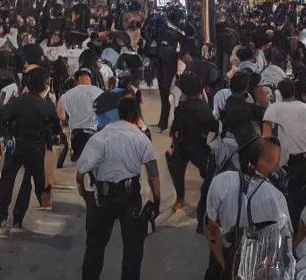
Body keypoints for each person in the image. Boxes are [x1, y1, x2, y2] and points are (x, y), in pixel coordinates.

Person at [75, 97, 160, 280]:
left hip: (102, 198)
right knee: (133, 250)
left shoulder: (100, 137)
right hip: (131, 197)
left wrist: (86, 196)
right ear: (136, 115)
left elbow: (81, 172)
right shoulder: (141, 138)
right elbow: (153, 173)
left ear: (119, 113)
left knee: (95, 247)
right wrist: (157, 201)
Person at [204, 136, 287, 280]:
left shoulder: (222, 180)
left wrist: (223, 263)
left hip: (221, 261)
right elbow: (279, 247)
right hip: (252, 269)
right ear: (270, 162)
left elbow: (211, 226)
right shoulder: (276, 197)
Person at [0, 67, 60, 232]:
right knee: (26, 181)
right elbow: (55, 126)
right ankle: (17, 217)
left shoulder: (19, 100)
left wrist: (6, 135)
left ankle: (1, 214)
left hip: (15, 144)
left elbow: (4, 114)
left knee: (7, 179)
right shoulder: (46, 104)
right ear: (44, 84)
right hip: (35, 147)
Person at [263, 79, 306, 231]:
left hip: (288, 166)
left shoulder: (273, 109)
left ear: (278, 93)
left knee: (293, 209)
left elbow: (265, 137)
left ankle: (292, 242)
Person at [166, 71, 219, 212]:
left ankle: (180, 198)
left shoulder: (181, 107)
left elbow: (174, 129)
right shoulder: (204, 108)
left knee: (175, 167)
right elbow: (214, 127)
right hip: (198, 146)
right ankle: (208, 200)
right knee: (212, 170)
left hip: (181, 146)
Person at [57, 68, 103, 162]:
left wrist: (68, 119)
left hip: (77, 134)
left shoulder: (68, 94)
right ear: (89, 79)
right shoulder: (99, 92)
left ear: (77, 81)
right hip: (95, 133)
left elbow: (61, 114)